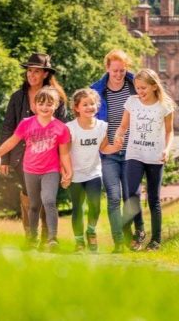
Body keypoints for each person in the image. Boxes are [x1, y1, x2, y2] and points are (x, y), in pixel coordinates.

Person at [0, 86, 72, 252]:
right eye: (41, 103)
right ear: (34, 106)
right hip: (30, 170)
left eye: (49, 104)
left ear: (56, 106)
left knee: (49, 201)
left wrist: (68, 172)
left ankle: (52, 239)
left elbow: (64, 153)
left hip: (51, 170)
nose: (44, 107)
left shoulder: (61, 128)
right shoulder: (26, 123)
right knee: (34, 205)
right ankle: (32, 239)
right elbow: (12, 142)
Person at [0, 53, 68, 241]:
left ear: (45, 74)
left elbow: (62, 130)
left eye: (36, 71)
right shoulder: (17, 97)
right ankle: (31, 235)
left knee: (47, 196)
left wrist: (64, 163)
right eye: (29, 71)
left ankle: (48, 236)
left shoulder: (58, 98)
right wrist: (4, 158)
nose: (31, 75)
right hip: (21, 157)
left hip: (49, 157)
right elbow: (8, 127)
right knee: (29, 195)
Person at [91, 50, 146, 253]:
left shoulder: (136, 86)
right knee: (114, 197)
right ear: (107, 68)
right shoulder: (96, 91)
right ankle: (119, 242)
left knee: (131, 195)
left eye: (122, 70)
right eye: (115, 70)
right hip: (109, 152)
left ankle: (137, 232)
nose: (118, 74)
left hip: (133, 150)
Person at [115, 69, 175, 251]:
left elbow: (169, 131)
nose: (139, 91)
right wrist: (119, 136)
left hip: (155, 157)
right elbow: (123, 126)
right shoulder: (131, 102)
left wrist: (166, 149)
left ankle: (156, 240)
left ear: (154, 86)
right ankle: (139, 230)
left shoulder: (165, 106)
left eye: (143, 88)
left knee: (153, 199)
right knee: (132, 195)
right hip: (134, 154)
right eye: (137, 88)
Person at [66, 88, 122, 253]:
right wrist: (66, 173)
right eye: (85, 104)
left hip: (94, 173)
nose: (89, 107)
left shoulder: (103, 126)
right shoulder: (70, 128)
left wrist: (115, 147)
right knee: (78, 208)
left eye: (92, 103)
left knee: (95, 206)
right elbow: (64, 152)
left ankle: (91, 230)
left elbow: (103, 148)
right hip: (75, 174)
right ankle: (79, 243)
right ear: (77, 108)